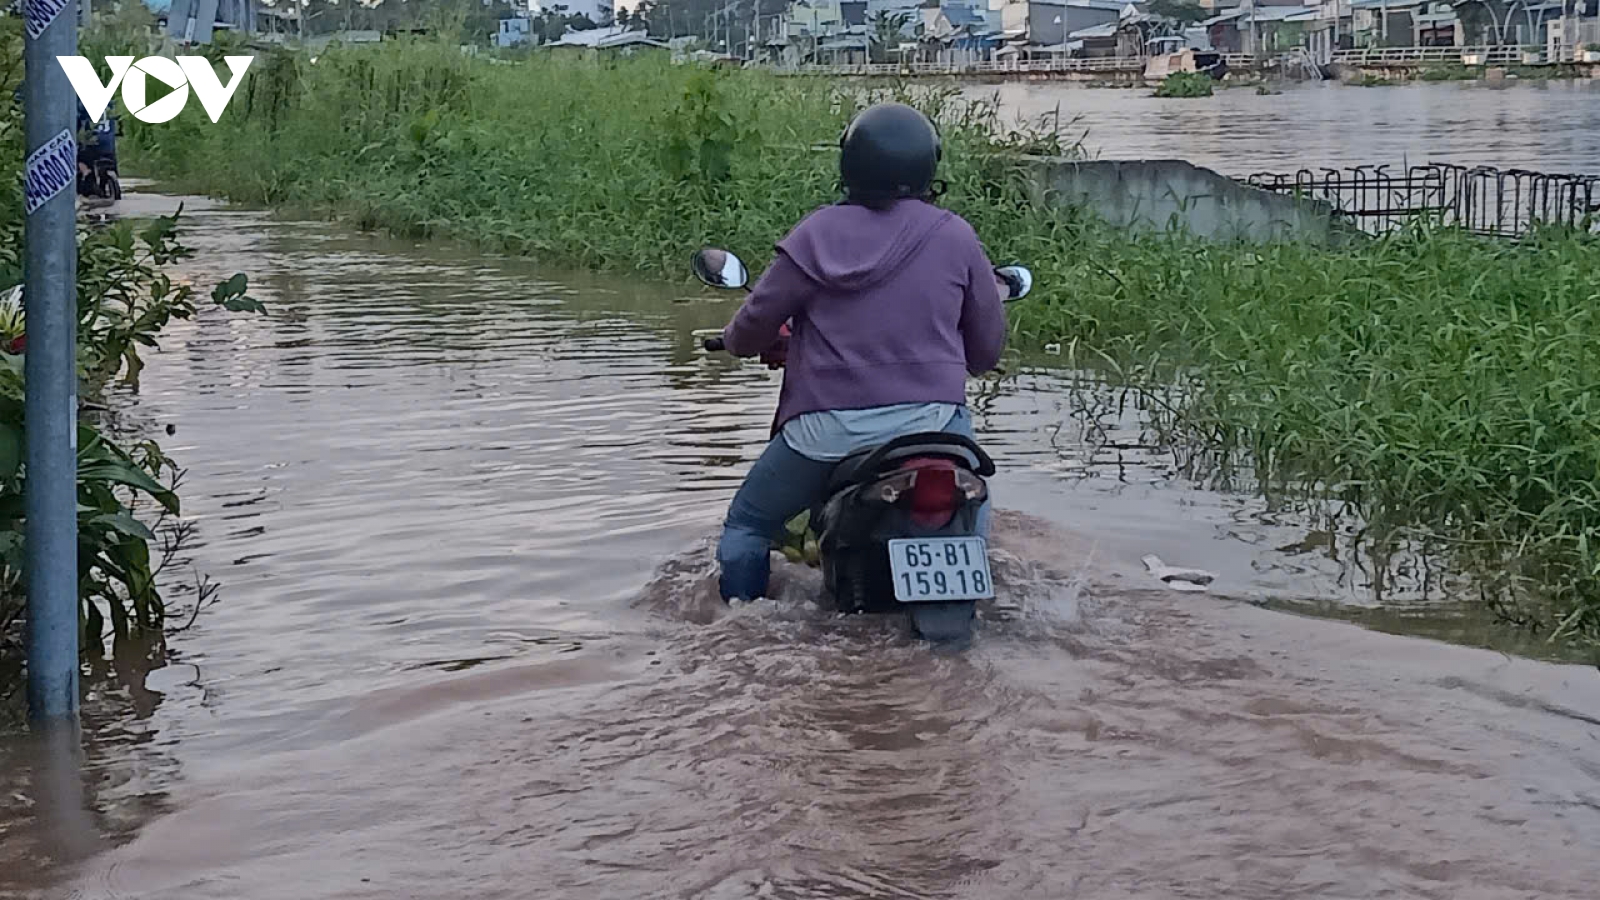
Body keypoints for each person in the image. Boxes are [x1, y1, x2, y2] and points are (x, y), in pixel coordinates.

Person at [713, 102, 1008, 603]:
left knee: (750, 524)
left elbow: (750, 329)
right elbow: (985, 351)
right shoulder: (955, 236)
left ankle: (736, 631)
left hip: (824, 435)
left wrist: (744, 342)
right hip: (935, 427)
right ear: (927, 165)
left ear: (849, 164)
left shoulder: (814, 236)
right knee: (972, 514)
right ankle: (969, 595)